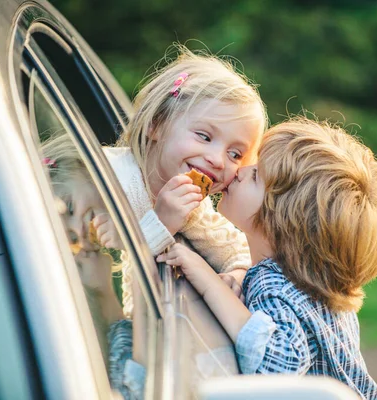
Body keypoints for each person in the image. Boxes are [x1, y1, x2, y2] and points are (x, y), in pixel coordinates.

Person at [156, 117, 377, 399]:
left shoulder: (272, 285)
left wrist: (209, 283)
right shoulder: (319, 286)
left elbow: (277, 367)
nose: (240, 171)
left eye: (256, 175)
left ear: (281, 221)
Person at [99, 45, 268, 318]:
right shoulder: (107, 176)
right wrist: (161, 223)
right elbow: (107, 266)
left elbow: (239, 252)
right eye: (204, 136)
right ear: (156, 124)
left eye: (235, 153)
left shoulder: (194, 210)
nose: (218, 160)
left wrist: (236, 275)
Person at [40, 132, 140, 399]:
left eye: (69, 207)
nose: (79, 232)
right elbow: (127, 378)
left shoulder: (157, 201)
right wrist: (102, 291)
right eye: (71, 239)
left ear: (83, 164)